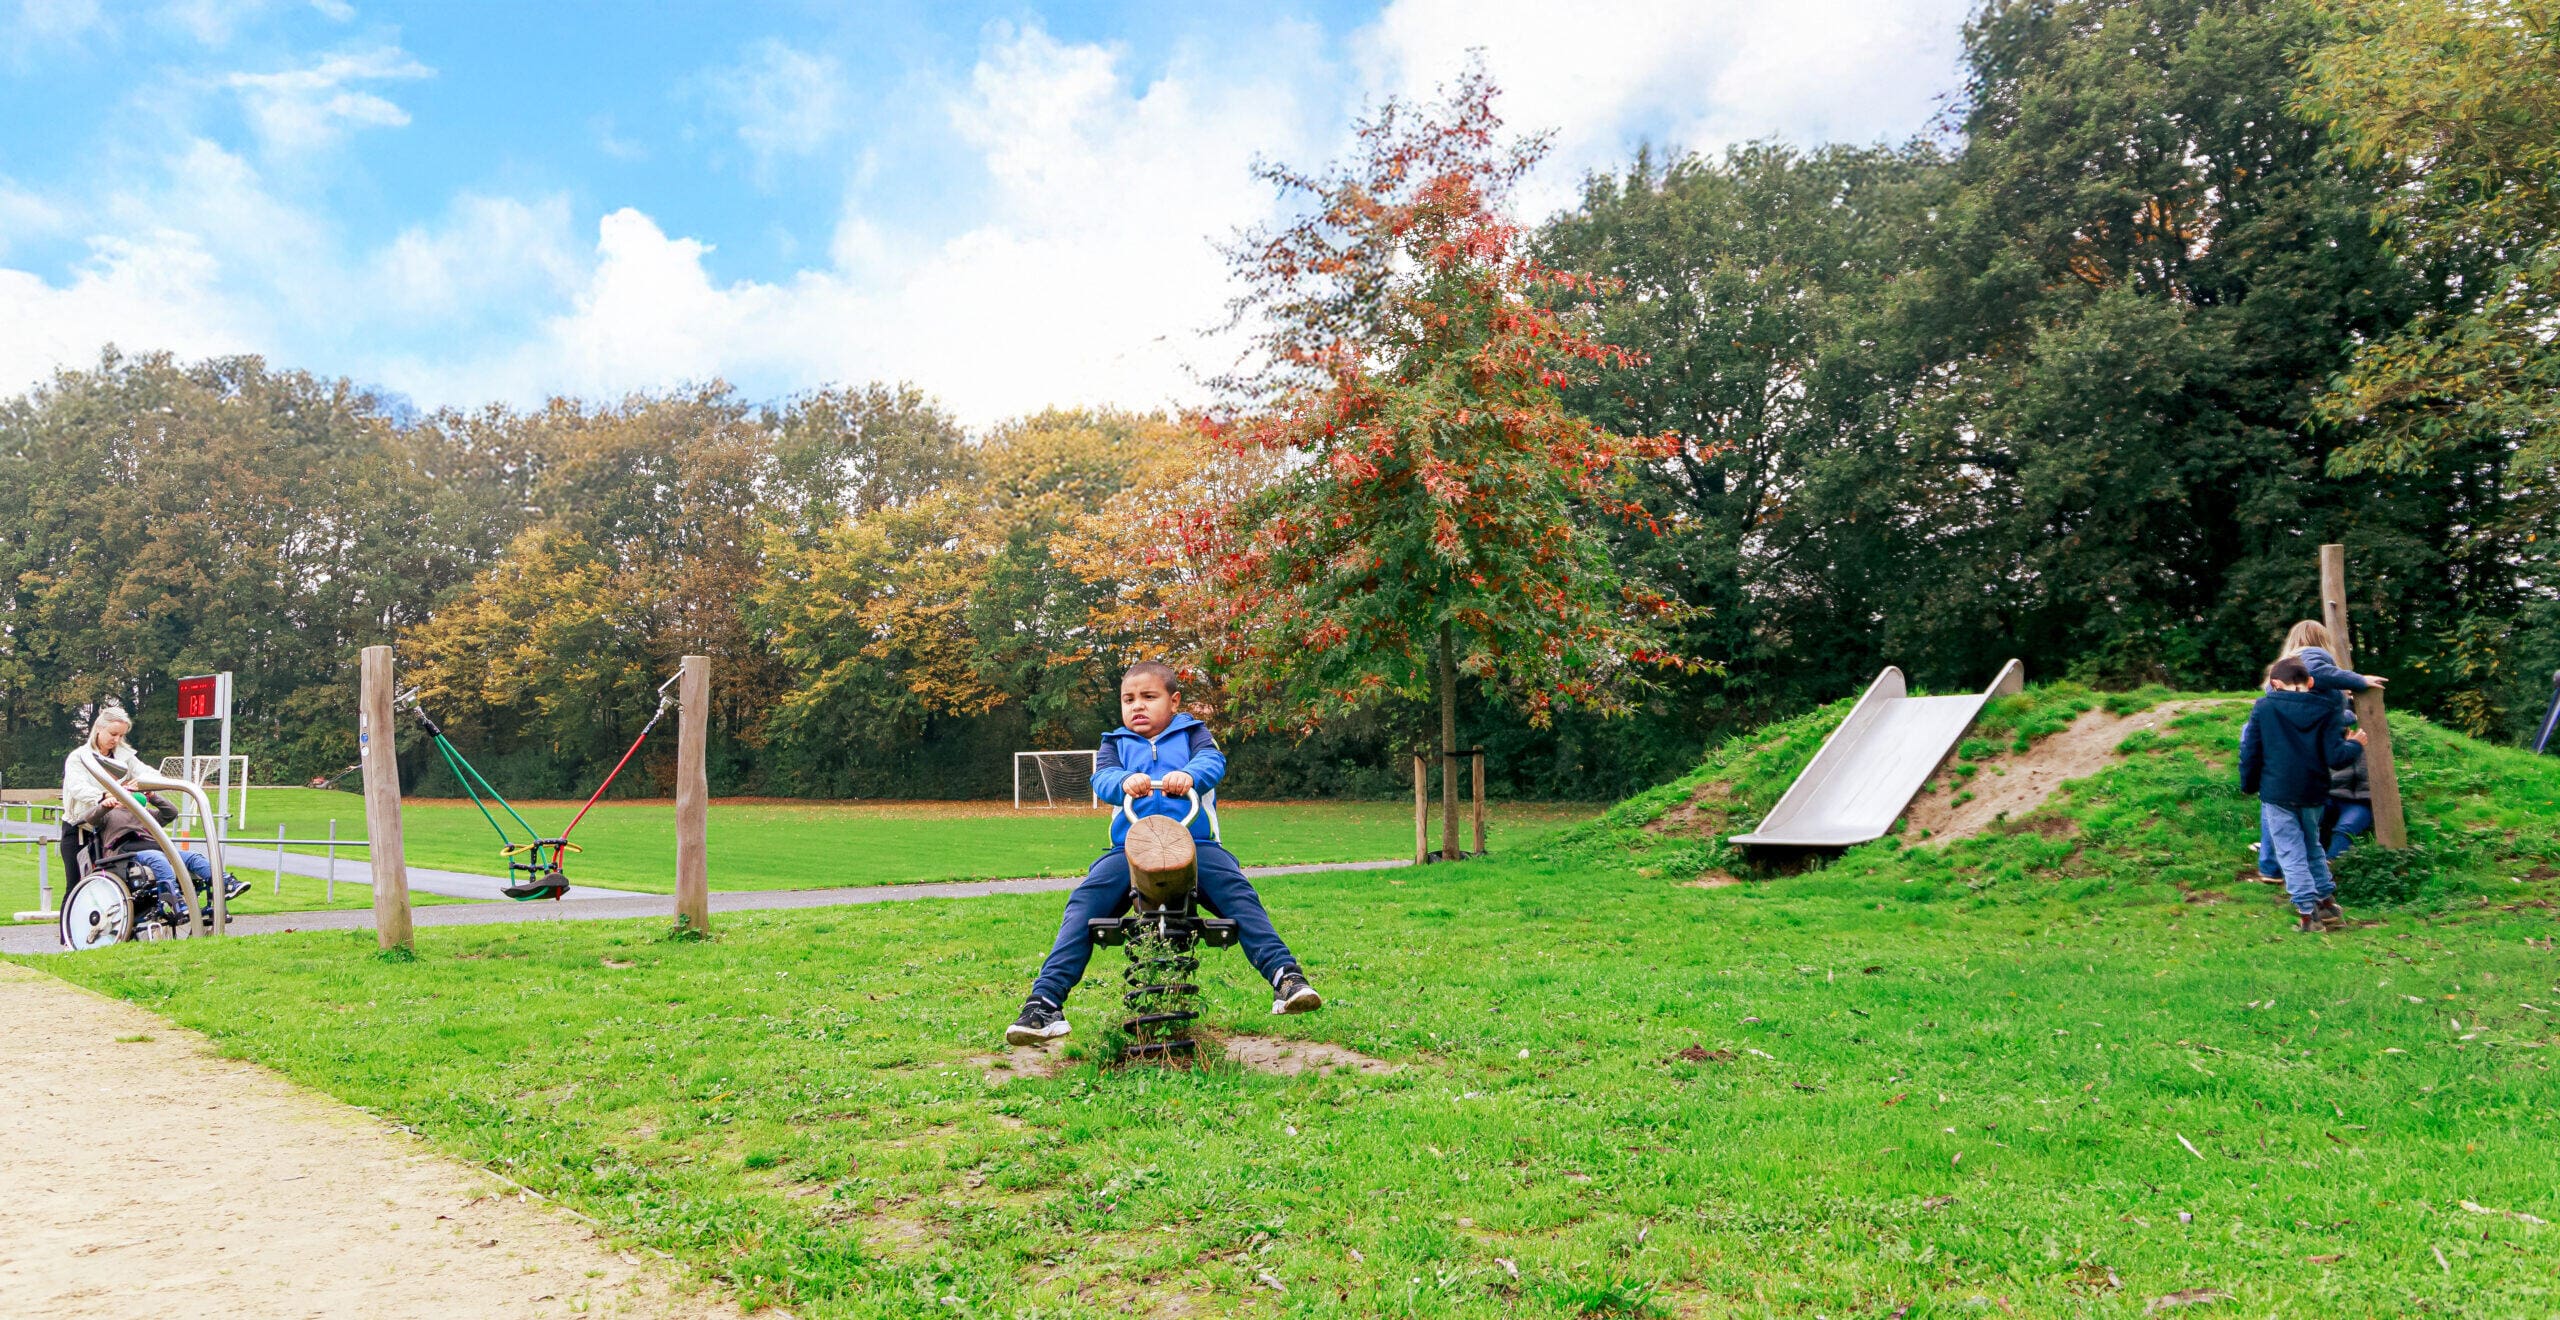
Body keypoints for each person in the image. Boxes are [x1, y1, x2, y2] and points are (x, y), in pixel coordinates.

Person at [1006, 662, 1321, 1045]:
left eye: (1148, 697)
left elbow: (1212, 763)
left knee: (1238, 894)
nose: (1137, 706)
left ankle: (1285, 976)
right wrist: (1124, 780)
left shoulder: (1194, 734)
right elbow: (1101, 779)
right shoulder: (1115, 743)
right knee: (1084, 903)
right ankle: (1044, 1003)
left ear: (1173, 701)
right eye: (1128, 699)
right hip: (1129, 848)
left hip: (1195, 844)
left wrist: (1189, 775)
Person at [60, 705, 246, 909]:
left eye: (121, 736)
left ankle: (221, 884)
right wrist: (107, 796)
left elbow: (147, 774)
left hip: (117, 825)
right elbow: (77, 788)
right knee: (77, 884)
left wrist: (150, 787)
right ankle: (71, 935)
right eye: (113, 734)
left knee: (172, 862)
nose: (116, 740)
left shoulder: (124, 757)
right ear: (98, 729)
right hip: (83, 827)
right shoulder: (79, 757)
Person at [2240, 656, 2367, 934]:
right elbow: (2336, 757)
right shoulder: (2326, 709)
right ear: (2310, 682)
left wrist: (2248, 785)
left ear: (2274, 684)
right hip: (2314, 791)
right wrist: (2356, 745)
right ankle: (2328, 904)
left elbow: (2251, 750)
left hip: (2277, 792)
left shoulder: (2264, 707)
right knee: (2311, 846)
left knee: (2290, 851)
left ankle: (2308, 914)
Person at [2253, 620, 2390, 876]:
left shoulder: (2283, 670)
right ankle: (2307, 879)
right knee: (2299, 810)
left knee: (2275, 806)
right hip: (2307, 748)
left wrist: (2341, 695)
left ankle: (2271, 867)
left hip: (2283, 743)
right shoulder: (2312, 655)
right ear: (2320, 639)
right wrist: (2359, 680)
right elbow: (2320, 675)